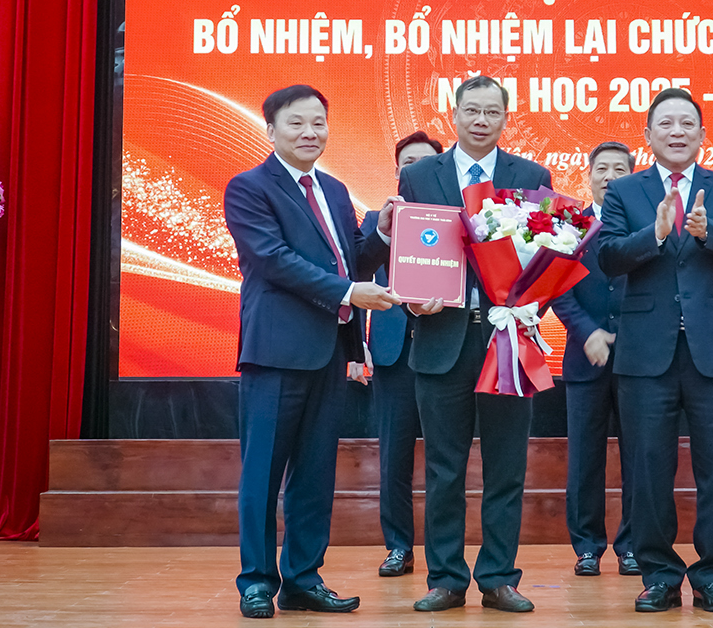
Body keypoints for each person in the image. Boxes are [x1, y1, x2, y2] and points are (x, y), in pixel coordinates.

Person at [224, 85, 403, 618]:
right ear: (271, 130)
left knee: (315, 473)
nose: (310, 132)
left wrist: (382, 236)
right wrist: (349, 292)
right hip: (276, 351)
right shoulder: (249, 187)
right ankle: (257, 581)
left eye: (318, 123)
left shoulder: (335, 189)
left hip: (328, 351)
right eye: (296, 123)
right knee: (263, 473)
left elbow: (351, 261)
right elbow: (272, 259)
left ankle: (303, 579)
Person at [598, 88, 713, 614]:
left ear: (702, 135)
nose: (677, 132)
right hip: (647, 354)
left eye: (687, 123)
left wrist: (711, 232)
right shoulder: (624, 191)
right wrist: (653, 234)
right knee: (648, 471)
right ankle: (660, 576)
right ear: (648, 135)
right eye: (666, 123)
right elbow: (607, 257)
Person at [397, 75, 553, 613]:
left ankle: (499, 578)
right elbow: (408, 253)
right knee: (444, 470)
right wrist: (412, 301)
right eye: (472, 110)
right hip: (442, 341)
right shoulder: (419, 176)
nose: (481, 120)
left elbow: (548, 257)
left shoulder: (530, 177)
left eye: (492, 112)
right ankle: (445, 578)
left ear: (505, 118)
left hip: (508, 340)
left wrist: (531, 306)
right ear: (454, 114)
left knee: (506, 467)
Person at [356, 130, 443, 578]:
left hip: (444, 350)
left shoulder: (457, 219)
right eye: (408, 162)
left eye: (425, 163)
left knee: (444, 458)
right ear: (396, 171)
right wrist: (356, 345)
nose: (415, 170)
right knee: (394, 457)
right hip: (392, 352)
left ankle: (443, 552)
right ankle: (398, 547)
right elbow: (354, 276)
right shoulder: (376, 220)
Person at [550, 141, 639, 578]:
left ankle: (632, 545)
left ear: (631, 177)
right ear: (588, 176)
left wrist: (629, 334)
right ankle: (587, 547)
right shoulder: (570, 226)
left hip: (639, 360)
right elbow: (557, 288)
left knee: (639, 457)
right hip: (584, 358)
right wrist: (588, 333)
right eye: (601, 169)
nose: (609, 177)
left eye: (619, 169)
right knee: (585, 460)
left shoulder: (647, 224)